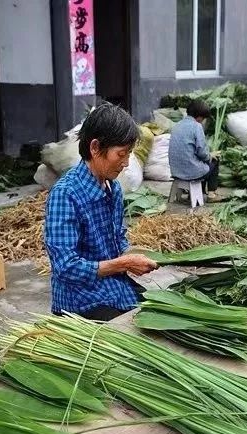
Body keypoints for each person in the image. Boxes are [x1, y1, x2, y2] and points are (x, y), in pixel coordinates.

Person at [44, 103, 158, 321]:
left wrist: (134, 256)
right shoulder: (65, 194)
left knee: (161, 312)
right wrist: (124, 264)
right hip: (80, 300)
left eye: (129, 154)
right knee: (135, 333)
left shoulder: (113, 188)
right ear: (95, 148)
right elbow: (66, 267)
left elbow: (118, 239)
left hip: (114, 285)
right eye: (121, 154)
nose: (125, 163)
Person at [168, 99, 223, 202]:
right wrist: (210, 155)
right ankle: (211, 195)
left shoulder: (177, 125)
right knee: (214, 161)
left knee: (198, 161)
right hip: (190, 172)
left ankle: (197, 194)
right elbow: (202, 153)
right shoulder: (196, 126)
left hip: (175, 171)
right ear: (199, 117)